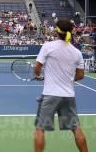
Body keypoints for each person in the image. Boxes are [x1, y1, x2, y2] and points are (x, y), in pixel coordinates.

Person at [33, 19, 88, 152]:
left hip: (50, 95)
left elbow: (37, 68)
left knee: (40, 129)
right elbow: (80, 76)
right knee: (76, 129)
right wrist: (68, 79)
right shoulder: (77, 52)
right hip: (68, 96)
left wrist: (39, 75)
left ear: (57, 31)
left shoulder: (48, 46)